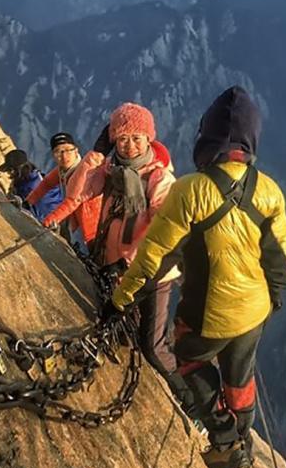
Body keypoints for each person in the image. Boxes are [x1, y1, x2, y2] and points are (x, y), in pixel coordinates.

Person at [105, 86, 286, 468]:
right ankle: (241, 439)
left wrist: (120, 301)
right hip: (254, 310)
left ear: (207, 137)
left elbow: (154, 256)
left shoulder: (190, 190)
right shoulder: (269, 190)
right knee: (239, 376)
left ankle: (225, 445)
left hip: (208, 313)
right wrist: (276, 295)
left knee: (189, 362)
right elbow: (281, 253)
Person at [44, 103, 192, 410]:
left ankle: (187, 398)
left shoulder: (159, 180)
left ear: (150, 139)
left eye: (137, 137)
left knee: (152, 346)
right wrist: (96, 155)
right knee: (126, 336)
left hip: (150, 275)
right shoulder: (109, 173)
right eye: (122, 138)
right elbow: (77, 192)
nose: (130, 144)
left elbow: (165, 230)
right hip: (113, 268)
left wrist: (130, 262)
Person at [26, 132, 101, 252]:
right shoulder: (63, 171)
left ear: (76, 151)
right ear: (53, 155)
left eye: (68, 150)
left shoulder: (84, 172)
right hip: (88, 222)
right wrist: (29, 201)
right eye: (58, 151)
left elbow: (72, 202)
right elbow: (46, 184)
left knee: (100, 253)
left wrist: (48, 222)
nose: (64, 155)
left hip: (97, 224)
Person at [0, 149, 61, 221]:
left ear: (16, 170)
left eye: (9, 170)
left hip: (45, 221)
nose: (8, 173)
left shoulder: (29, 188)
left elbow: (38, 214)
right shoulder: (35, 175)